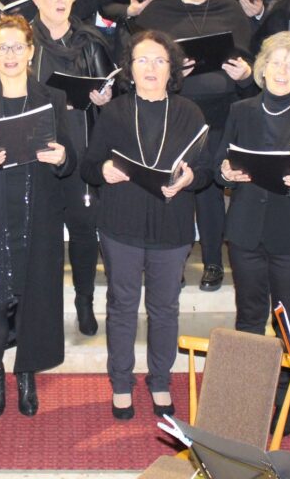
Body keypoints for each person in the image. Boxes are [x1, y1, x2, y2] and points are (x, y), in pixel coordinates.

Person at [81, 30, 211, 420]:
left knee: (164, 308)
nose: (151, 68)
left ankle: (159, 380)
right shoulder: (116, 111)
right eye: (142, 60)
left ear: (171, 69)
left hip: (171, 226)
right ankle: (121, 382)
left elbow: (205, 171)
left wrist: (190, 179)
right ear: (130, 69)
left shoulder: (189, 111)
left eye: (159, 60)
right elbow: (89, 164)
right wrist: (103, 169)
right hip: (120, 223)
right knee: (122, 306)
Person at [0, 15, 76, 417]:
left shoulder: (51, 99)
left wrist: (62, 157)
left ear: (30, 52)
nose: (10, 54)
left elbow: (70, 156)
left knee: (30, 300)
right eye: (2, 47)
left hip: (35, 213)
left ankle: (26, 374)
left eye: (17, 47)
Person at [218, 31, 290, 432]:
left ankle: (284, 400)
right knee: (249, 315)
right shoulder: (240, 111)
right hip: (247, 229)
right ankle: (248, 399)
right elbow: (220, 163)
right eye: (277, 61)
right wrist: (225, 172)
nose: (283, 70)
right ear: (262, 68)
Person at [135, 0, 254, 292]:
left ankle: (214, 261)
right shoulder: (159, 13)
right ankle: (171, 259)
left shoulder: (231, 11)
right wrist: (173, 72)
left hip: (220, 115)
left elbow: (247, 61)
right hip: (174, 114)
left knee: (210, 190)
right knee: (172, 187)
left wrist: (244, 73)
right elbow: (141, 59)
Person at [29, 0, 115, 336]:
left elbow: (110, 92)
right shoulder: (24, 40)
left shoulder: (91, 40)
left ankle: (84, 300)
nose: (61, 0)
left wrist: (104, 97)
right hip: (38, 147)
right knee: (42, 234)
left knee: (83, 231)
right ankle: (43, 308)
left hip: (82, 145)